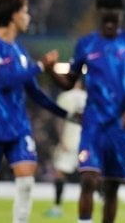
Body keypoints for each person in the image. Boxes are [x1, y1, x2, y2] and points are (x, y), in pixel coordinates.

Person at [48, 0, 125, 223]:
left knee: (112, 187)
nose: (110, 23)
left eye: (115, 18)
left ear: (121, 16)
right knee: (88, 179)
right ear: (99, 16)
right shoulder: (86, 44)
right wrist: (51, 69)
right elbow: (68, 83)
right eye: (106, 18)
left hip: (119, 125)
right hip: (93, 124)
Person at [0, 0, 73, 223]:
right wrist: (41, 65)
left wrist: (67, 115)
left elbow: (35, 93)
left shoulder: (21, 51)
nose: (28, 17)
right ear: (14, 16)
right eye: (25, 12)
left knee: (26, 182)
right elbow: (4, 79)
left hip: (19, 127)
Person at [45, 80, 88, 218]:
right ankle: (102, 199)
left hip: (69, 140)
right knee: (90, 174)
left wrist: (61, 139)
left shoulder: (65, 96)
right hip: (86, 141)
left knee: (60, 173)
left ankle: (57, 208)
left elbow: (59, 119)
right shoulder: (89, 97)